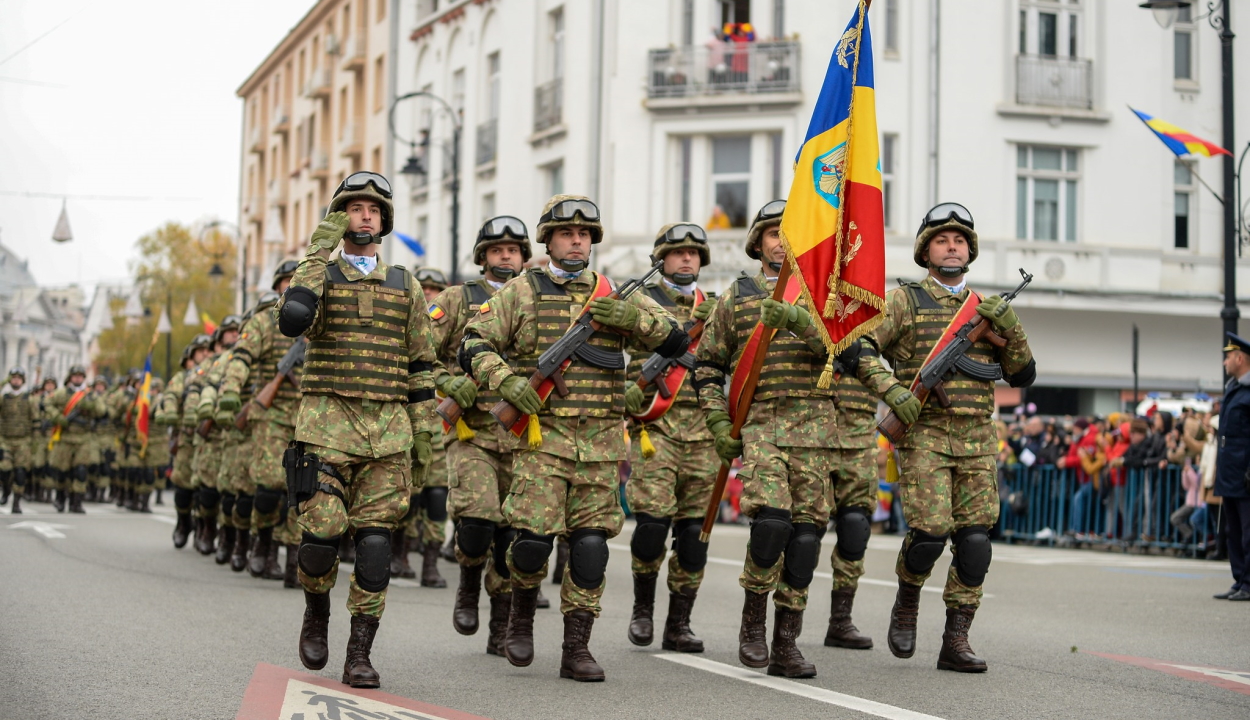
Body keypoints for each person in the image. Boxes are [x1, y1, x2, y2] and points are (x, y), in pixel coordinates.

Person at [460, 195, 689, 681]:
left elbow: (675, 340)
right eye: (567, 234)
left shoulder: (614, 294)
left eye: (585, 235)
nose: (577, 241)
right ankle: (520, 618)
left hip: (602, 445)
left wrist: (636, 321)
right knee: (533, 545)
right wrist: (507, 382)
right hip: (544, 443)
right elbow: (473, 342)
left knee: (590, 549)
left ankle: (576, 648)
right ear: (548, 241)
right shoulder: (521, 292)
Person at [276, 171, 440, 687]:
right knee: (321, 537)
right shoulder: (319, 276)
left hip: (388, 433)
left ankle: (359, 654)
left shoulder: (404, 285)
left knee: (373, 548)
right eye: (354, 207)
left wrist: (423, 437)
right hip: (326, 428)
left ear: (384, 221)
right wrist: (316, 254)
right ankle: (316, 613)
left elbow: (421, 364)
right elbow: (293, 319)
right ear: (338, 218)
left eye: (372, 209)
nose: (364, 215)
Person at [694, 200, 869, 677]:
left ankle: (786, 640)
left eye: (790, 232)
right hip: (763, 425)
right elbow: (707, 366)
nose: (781, 241)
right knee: (772, 524)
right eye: (773, 233)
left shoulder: (828, 298)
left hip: (817, 431)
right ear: (758, 243)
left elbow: (847, 353)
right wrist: (715, 420)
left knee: (807, 539)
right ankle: (753, 621)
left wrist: (799, 321)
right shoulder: (739, 296)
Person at [858, 203, 1036, 672]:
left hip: (978, 437)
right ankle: (908, 601)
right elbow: (860, 349)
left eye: (959, 240)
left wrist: (1011, 330)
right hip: (926, 435)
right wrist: (893, 391)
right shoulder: (904, 301)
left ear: (969, 250)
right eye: (942, 240)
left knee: (976, 542)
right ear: (926, 250)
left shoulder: (988, 309)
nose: (952, 246)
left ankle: (956, 639)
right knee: (930, 534)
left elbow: (1022, 375)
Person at [429, 216, 529, 655]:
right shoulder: (456, 299)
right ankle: (468, 584)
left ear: (524, 256)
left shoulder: (539, 298)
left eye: (513, 249)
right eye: (497, 249)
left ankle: (501, 623)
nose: (505, 255)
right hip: (472, 430)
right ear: (483, 256)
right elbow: (418, 350)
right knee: (476, 520)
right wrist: (447, 383)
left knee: (512, 534)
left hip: (527, 434)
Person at [622, 222, 716, 654]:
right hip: (655, 431)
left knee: (694, 536)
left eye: (694, 254)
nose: (686, 259)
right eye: (677, 253)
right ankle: (643, 609)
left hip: (705, 436)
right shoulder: (638, 301)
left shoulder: (715, 309)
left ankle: (679, 623)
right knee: (650, 528)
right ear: (661, 259)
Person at [220, 262, 304, 583]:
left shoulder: (320, 320)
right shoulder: (264, 322)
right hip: (270, 416)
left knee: (303, 491)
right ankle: (263, 546)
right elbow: (241, 356)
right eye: (287, 281)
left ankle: (293, 559)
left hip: (311, 418)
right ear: (277, 286)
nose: (293, 286)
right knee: (270, 485)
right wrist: (230, 389)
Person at [402, 266, 452, 588]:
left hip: (445, 423)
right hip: (409, 421)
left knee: (436, 497)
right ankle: (400, 553)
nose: (431, 294)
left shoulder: (452, 325)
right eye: (426, 288)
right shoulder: (407, 325)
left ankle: (430, 564)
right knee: (409, 497)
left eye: (436, 289)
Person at [155, 334, 213, 548]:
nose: (205, 354)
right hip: (187, 437)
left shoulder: (214, 372)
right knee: (183, 484)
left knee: (205, 486)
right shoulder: (183, 378)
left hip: (210, 438)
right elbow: (169, 395)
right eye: (200, 351)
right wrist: (170, 410)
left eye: (207, 350)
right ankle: (182, 522)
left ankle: (203, 527)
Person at [1214, 333, 1250, 601]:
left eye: (1228, 356)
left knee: (1249, 531)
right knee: (1233, 530)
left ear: (1240, 358)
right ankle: (1239, 579)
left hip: (1246, 473)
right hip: (1230, 471)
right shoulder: (1233, 388)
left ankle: (1249, 582)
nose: (1225, 361)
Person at [45, 366, 107, 514]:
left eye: (80, 376)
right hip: (65, 438)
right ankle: (60, 499)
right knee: (62, 471)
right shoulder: (61, 393)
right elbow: (47, 404)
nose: (78, 379)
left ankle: (76, 502)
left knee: (80, 471)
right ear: (70, 377)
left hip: (83, 438)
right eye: (75, 376)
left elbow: (101, 411)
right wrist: (58, 418)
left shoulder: (89, 395)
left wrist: (90, 404)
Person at [0, 367, 33, 514]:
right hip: (5, 440)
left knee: (20, 473)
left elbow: (36, 420)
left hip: (23, 441)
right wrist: (4, 382)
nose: (16, 380)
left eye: (19, 378)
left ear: (23, 381)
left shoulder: (29, 399)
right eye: (13, 378)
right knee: (5, 470)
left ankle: (16, 502)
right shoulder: (4, 398)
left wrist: (35, 444)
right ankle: (6, 491)